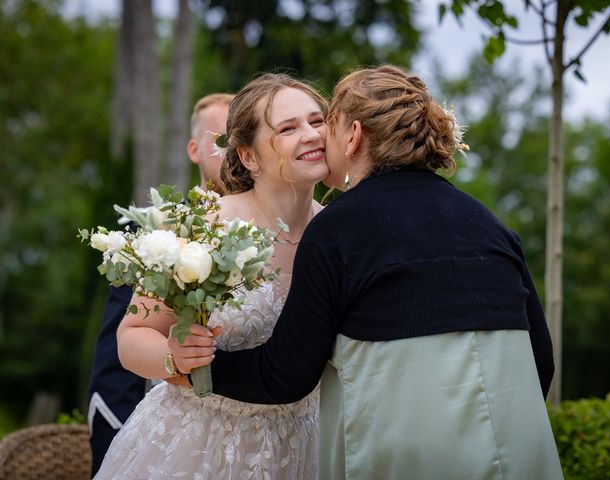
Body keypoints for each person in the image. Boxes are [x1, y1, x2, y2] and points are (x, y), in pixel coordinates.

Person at [171, 65, 564, 479]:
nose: (319, 139)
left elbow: (286, 375)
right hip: (520, 453)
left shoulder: (336, 230)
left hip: (408, 461)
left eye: (328, 125)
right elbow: (541, 360)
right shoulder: (491, 225)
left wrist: (199, 369)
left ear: (354, 136)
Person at [93, 73, 329, 479]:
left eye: (317, 121)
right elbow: (130, 337)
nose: (311, 135)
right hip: (199, 446)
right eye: (288, 128)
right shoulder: (202, 227)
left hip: (306, 447)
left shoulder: (339, 232)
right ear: (249, 156)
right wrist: (173, 358)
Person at [86, 92, 233, 476]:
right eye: (220, 138)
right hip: (168, 429)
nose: (230, 148)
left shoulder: (283, 229)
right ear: (193, 148)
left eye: (240, 136)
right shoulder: (156, 230)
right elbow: (118, 343)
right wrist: (116, 437)